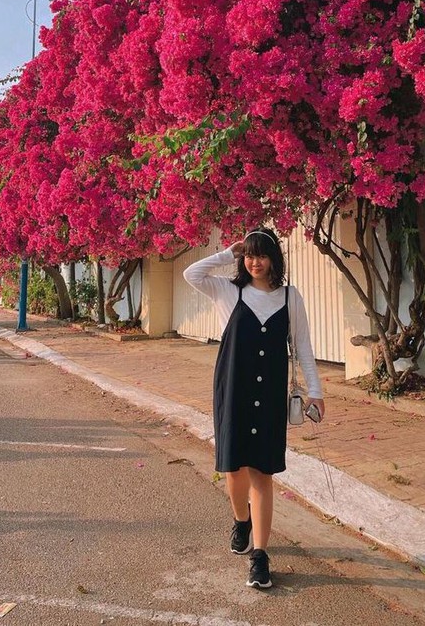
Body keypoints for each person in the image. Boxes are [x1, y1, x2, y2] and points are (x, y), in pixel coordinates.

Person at [183, 227, 324, 590]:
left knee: (263, 472)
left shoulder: (291, 298)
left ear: (274, 258)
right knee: (234, 470)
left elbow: (303, 348)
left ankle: (260, 557)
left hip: (272, 395)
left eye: (261, 254)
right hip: (233, 392)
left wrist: (316, 391)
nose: (254, 261)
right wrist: (228, 253)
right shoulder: (228, 291)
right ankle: (241, 520)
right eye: (249, 254)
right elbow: (191, 273)